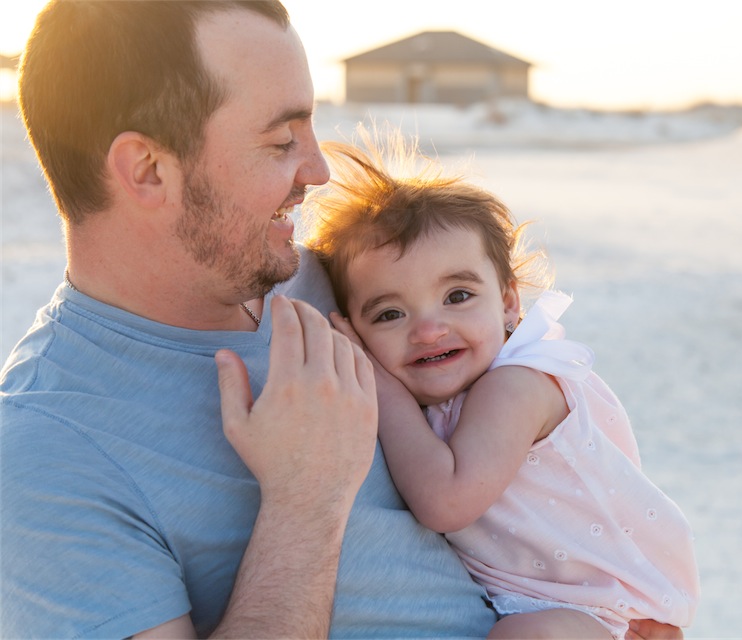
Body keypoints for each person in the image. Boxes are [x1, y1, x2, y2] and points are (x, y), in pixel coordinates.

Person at [1, 2, 499, 637]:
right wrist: (305, 500)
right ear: (148, 171)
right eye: (281, 141)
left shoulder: (351, 284)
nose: (318, 171)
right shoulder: (48, 451)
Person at [305, 131, 701, 640]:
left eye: (458, 295)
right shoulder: (449, 398)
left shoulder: (515, 386)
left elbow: (446, 503)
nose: (429, 328)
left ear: (510, 302)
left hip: (604, 606)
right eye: (390, 313)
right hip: (547, 598)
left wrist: (380, 386)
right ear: (355, 328)